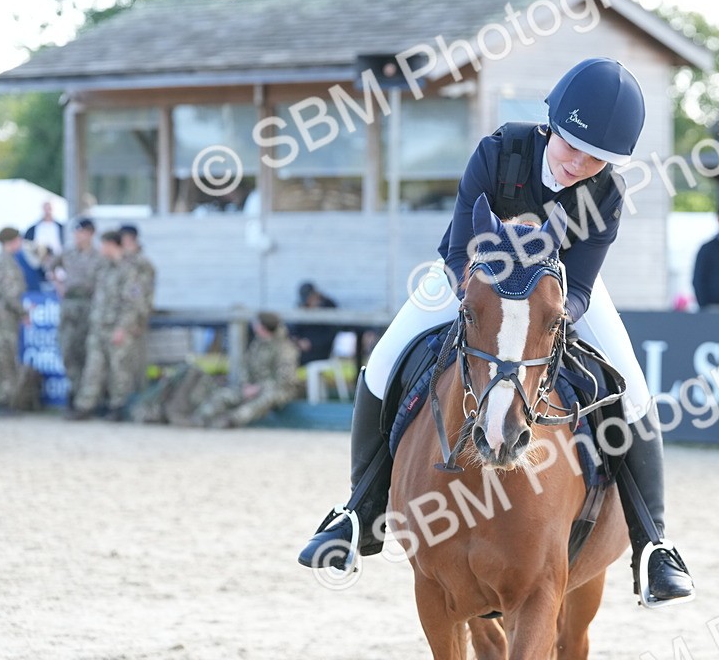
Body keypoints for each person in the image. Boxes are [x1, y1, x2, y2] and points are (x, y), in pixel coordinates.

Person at [297, 57, 695, 604]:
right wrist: (481, 303)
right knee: (385, 359)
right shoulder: (501, 151)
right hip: (473, 280)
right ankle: (356, 514)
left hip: (552, 294)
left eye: (597, 157)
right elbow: (460, 247)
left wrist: (541, 317)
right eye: (571, 146)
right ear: (551, 125)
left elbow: (578, 288)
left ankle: (654, 547)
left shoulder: (605, 195)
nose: (579, 163)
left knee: (633, 386)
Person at [68, 231, 148, 421]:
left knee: (119, 369)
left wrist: (122, 328)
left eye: (104, 245)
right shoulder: (103, 269)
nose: (101, 249)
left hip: (116, 327)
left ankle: (118, 407)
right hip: (98, 326)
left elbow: (132, 303)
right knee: (93, 368)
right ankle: (85, 406)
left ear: (113, 245)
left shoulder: (129, 270)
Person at [187, 312, 301, 428]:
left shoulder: (285, 349)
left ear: (263, 327)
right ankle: (200, 417)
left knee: (264, 399)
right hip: (252, 387)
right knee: (225, 395)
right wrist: (246, 384)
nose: (254, 326)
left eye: (257, 324)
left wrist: (258, 388)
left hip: (276, 390)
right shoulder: (257, 344)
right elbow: (245, 366)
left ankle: (230, 421)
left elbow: (285, 381)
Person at [53, 218, 102, 405]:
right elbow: (49, 266)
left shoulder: (98, 256)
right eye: (75, 233)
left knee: (87, 351)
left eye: (80, 232)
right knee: (68, 348)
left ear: (90, 233)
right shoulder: (67, 253)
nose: (77, 236)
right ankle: (73, 390)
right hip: (69, 305)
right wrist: (58, 284)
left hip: (89, 306)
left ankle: (86, 396)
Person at [0, 227, 29, 407]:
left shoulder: (2, 260)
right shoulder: (6, 263)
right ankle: (2, 399)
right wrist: (23, 313)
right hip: (4, 318)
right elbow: (10, 294)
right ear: (12, 240)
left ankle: (1, 398)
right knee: (4, 358)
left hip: (0, 316)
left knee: (2, 357)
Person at [119, 224, 156, 392]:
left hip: (136, 321)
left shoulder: (142, 264)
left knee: (136, 363)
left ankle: (136, 399)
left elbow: (143, 295)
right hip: (119, 319)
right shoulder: (120, 261)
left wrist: (139, 321)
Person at [289, 281, 340, 364]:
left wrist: (311, 343)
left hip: (320, 350)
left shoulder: (328, 306)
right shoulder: (302, 307)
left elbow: (331, 333)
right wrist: (298, 341)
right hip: (301, 347)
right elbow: (294, 328)